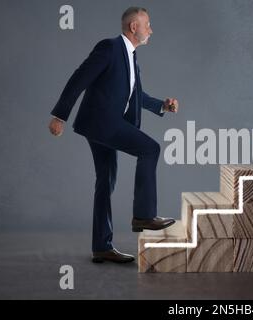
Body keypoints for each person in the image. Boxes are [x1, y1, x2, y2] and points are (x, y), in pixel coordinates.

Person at [48, 7, 178, 264]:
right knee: (149, 149)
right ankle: (143, 215)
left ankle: (101, 246)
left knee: (105, 181)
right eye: (147, 25)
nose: (151, 30)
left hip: (101, 125)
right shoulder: (109, 48)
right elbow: (79, 77)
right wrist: (60, 115)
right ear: (133, 27)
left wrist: (163, 105)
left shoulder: (132, 58)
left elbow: (138, 96)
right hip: (102, 123)